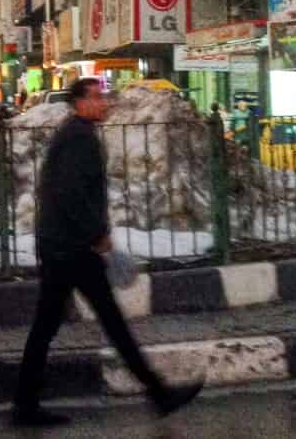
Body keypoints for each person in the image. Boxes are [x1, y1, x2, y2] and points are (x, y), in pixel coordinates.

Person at [13, 76, 202, 427]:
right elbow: (71, 195)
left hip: (64, 246)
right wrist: (97, 234)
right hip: (70, 249)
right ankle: (158, 394)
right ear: (80, 103)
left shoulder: (76, 134)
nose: (105, 102)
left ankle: (26, 405)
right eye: (97, 97)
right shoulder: (78, 138)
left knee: (57, 325)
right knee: (101, 323)